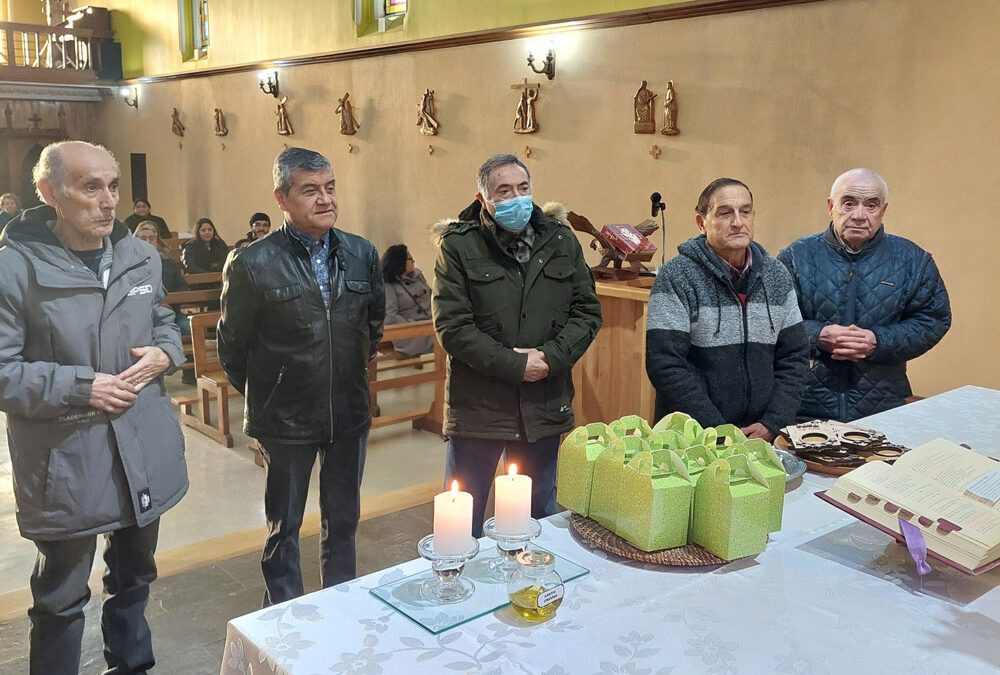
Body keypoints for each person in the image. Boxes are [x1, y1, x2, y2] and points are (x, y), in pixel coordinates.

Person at [0, 141, 187, 674]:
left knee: (134, 579)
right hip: (67, 459)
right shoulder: (14, 268)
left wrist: (166, 352)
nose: (108, 201)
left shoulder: (139, 256)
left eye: (113, 187)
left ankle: (132, 666)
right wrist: (82, 386)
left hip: (140, 445)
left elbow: (163, 322)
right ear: (49, 193)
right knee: (61, 600)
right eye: (90, 187)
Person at [217, 146, 384, 605]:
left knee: (343, 519)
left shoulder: (361, 253)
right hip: (285, 418)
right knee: (284, 527)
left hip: (347, 410)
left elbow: (372, 327)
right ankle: (283, 617)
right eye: (310, 190)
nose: (325, 199)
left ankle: (340, 604)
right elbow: (232, 347)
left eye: (330, 188)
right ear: (282, 198)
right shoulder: (253, 262)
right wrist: (273, 393)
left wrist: (346, 374)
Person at [432, 153, 602, 536]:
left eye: (523, 188)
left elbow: (587, 312)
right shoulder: (458, 245)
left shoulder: (561, 240)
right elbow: (453, 327)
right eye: (504, 191)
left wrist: (550, 358)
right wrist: (515, 365)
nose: (517, 198)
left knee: (536, 518)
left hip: (544, 403)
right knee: (461, 523)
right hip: (479, 408)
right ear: (483, 199)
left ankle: (530, 575)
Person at [777, 168, 951, 421]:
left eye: (871, 205)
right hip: (805, 405)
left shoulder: (913, 260)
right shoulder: (795, 256)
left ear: (883, 210)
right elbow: (772, 319)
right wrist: (817, 335)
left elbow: (933, 319)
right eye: (848, 203)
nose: (859, 216)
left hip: (884, 406)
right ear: (831, 206)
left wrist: (878, 341)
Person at [645, 178, 808, 441]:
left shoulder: (776, 275)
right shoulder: (677, 276)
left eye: (745, 211)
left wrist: (772, 422)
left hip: (761, 435)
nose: (738, 222)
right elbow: (666, 364)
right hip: (691, 437)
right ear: (701, 223)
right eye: (725, 213)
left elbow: (795, 358)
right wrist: (719, 431)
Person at [381, 244, 433, 356]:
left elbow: (432, 296)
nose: (413, 261)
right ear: (399, 262)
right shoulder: (388, 285)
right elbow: (390, 316)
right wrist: (413, 325)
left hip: (430, 323)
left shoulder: (418, 275)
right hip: (409, 332)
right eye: (410, 259)